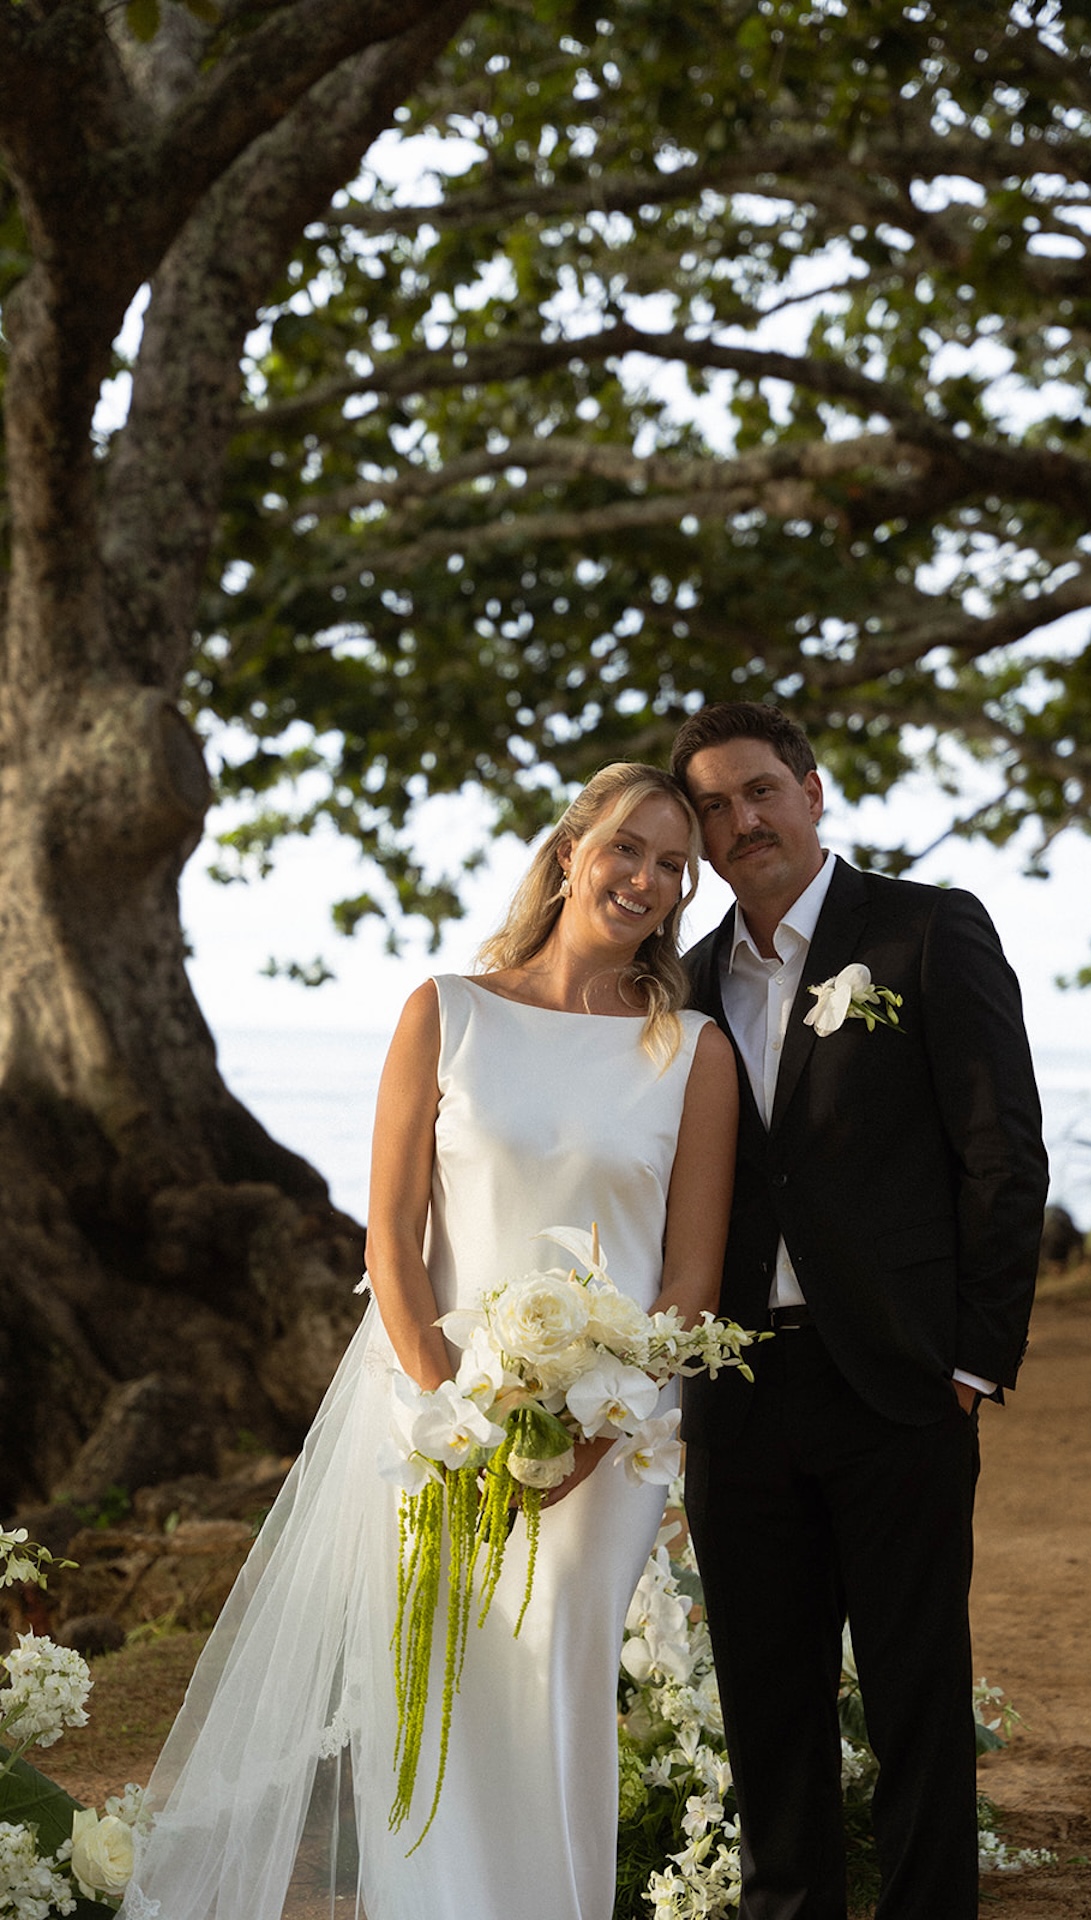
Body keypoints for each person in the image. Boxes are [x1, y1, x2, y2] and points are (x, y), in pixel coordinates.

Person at [123, 763, 737, 1920]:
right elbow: (392, 1247)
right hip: (438, 1423)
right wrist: (460, 1413)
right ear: (570, 853)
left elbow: (691, 1281)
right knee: (436, 1690)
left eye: (671, 867)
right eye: (627, 851)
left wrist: (586, 1436)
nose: (646, 881)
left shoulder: (690, 1052)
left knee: (555, 1685)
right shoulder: (446, 1012)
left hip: (609, 1444)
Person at [670, 702, 1048, 1920]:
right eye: (714, 808)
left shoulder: (926, 931)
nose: (741, 821)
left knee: (913, 1690)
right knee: (766, 1701)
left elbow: (1002, 1155)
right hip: (736, 1393)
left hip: (898, 1382)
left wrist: (976, 1361)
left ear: (812, 791)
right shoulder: (677, 986)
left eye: (758, 791)